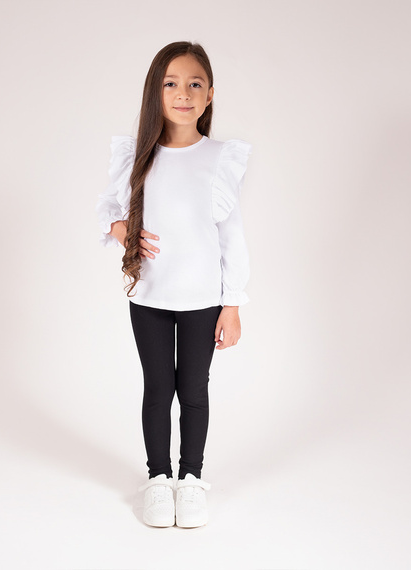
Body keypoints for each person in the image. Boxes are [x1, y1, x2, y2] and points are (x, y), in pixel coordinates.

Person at [95, 41, 252, 528]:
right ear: (155, 92)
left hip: (203, 299)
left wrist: (232, 305)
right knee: (158, 388)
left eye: (194, 84)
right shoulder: (137, 156)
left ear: (209, 95)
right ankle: (159, 479)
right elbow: (107, 208)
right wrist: (122, 230)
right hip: (150, 297)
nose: (183, 93)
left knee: (194, 390)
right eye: (171, 83)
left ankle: (191, 479)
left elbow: (232, 238)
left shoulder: (220, 159)